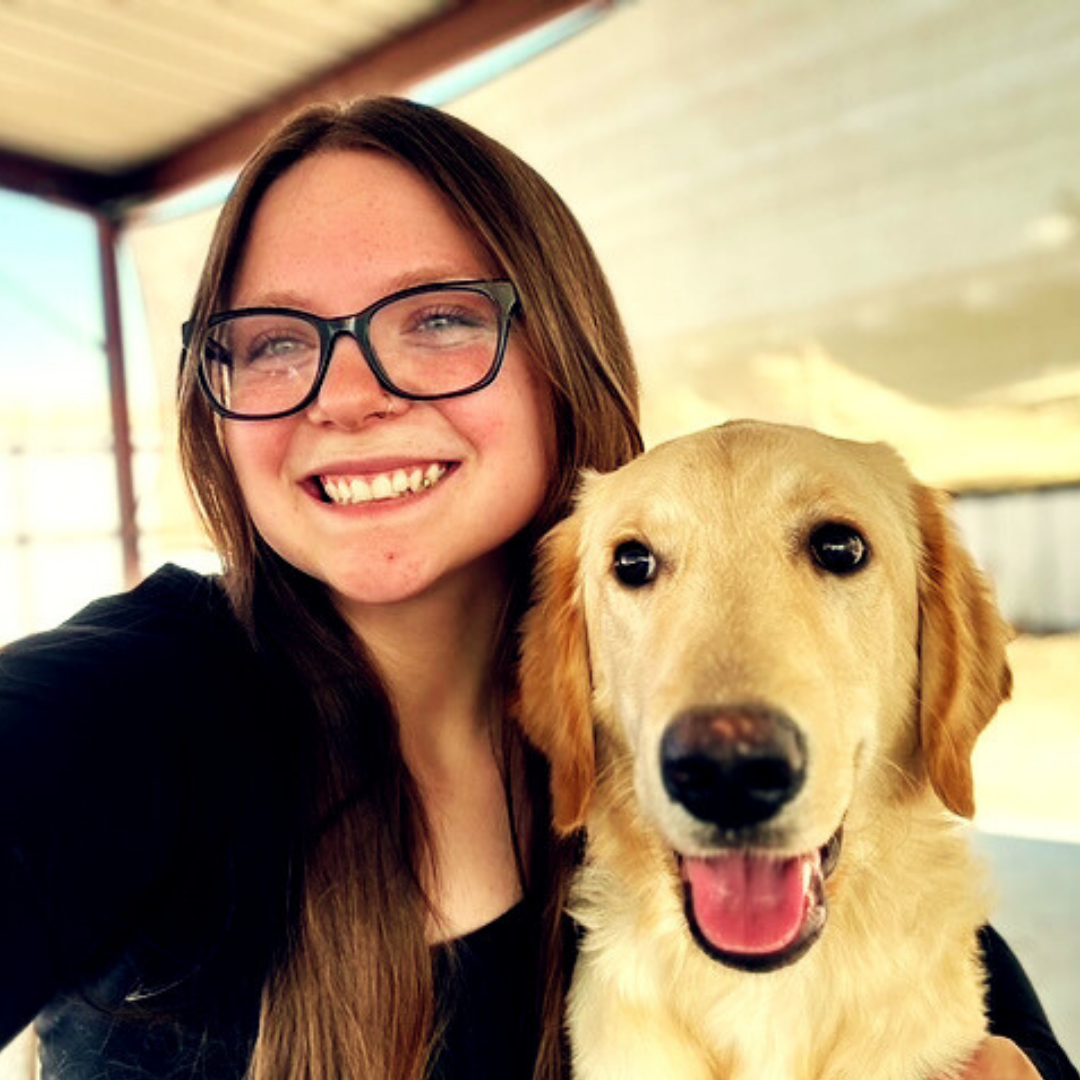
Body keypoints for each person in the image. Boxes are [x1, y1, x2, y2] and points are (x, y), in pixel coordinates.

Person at [0, 96, 1074, 1080]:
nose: (350, 394)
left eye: (438, 317)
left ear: (565, 355)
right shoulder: (121, 710)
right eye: (276, 341)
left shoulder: (792, 803)